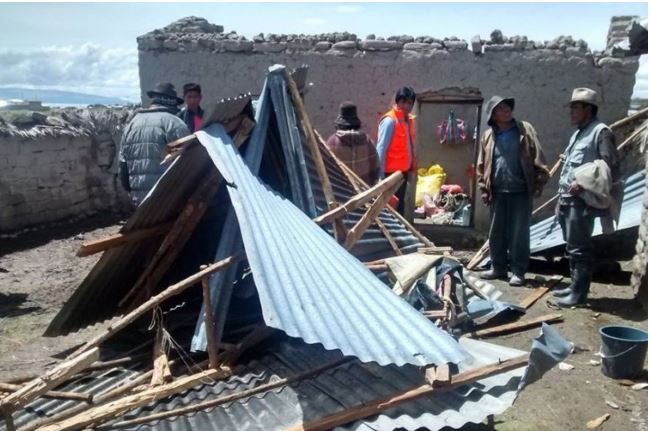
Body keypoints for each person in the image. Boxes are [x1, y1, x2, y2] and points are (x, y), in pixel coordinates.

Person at [553, 88, 619, 307]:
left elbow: (608, 166)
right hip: (567, 197)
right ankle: (574, 286)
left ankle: (579, 295)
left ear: (588, 109)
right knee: (572, 245)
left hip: (582, 200)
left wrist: (582, 182)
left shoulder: (601, 132)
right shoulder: (579, 133)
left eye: (575, 107)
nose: (571, 112)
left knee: (580, 247)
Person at [476, 96, 549, 286]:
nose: (506, 110)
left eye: (507, 106)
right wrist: (484, 188)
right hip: (497, 191)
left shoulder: (524, 129)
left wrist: (540, 180)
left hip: (520, 190)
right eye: (500, 108)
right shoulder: (488, 136)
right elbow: (481, 165)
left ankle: (518, 271)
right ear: (493, 115)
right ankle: (498, 268)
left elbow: (538, 155)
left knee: (519, 233)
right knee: (496, 233)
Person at [119, 82, 190, 206]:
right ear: (172, 102)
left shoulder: (132, 124)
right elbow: (188, 162)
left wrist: (131, 190)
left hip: (140, 200)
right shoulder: (174, 124)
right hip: (168, 198)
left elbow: (123, 166)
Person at [376, 86, 417, 214]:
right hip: (389, 175)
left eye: (409, 103)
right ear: (397, 102)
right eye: (403, 102)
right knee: (389, 209)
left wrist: (411, 168)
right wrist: (380, 177)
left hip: (402, 173)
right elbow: (381, 149)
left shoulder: (408, 121)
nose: (406, 106)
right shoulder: (389, 121)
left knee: (399, 207)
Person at [325, 101, 379, 185]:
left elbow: (326, 170)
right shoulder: (367, 141)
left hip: (340, 189)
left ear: (340, 124)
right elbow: (375, 168)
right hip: (365, 189)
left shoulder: (332, 142)